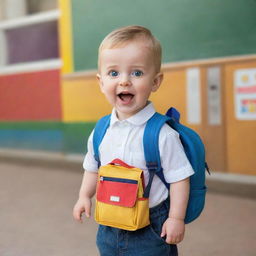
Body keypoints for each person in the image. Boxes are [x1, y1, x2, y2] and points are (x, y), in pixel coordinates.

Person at [73, 25, 194, 256]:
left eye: (137, 73)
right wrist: (83, 196)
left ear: (155, 82)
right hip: (108, 223)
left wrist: (176, 218)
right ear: (101, 82)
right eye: (114, 73)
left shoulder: (162, 134)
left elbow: (180, 179)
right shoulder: (101, 130)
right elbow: (92, 168)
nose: (125, 81)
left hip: (151, 227)